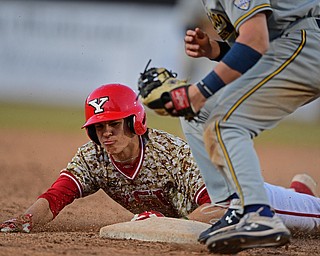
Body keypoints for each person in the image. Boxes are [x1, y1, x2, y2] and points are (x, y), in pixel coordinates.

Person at [0, 84, 319, 238]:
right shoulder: (93, 157)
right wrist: (23, 220)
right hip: (197, 214)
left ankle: (301, 200)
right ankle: (300, 193)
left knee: (314, 221)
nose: (106, 133)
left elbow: (222, 209)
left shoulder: (173, 154)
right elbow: (55, 197)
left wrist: (164, 225)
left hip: (244, 199)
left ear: (135, 123)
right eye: (99, 127)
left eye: (114, 124)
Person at [170, 0, 320, 254]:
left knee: (223, 123)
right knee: (199, 114)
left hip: (305, 42)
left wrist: (200, 90)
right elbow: (258, 45)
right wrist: (214, 49)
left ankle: (258, 214)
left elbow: (256, 41)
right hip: (291, 44)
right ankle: (235, 209)